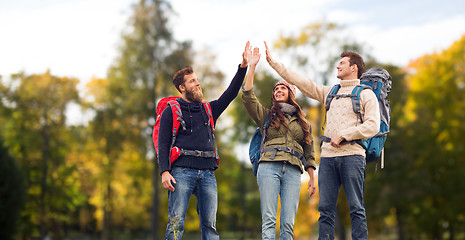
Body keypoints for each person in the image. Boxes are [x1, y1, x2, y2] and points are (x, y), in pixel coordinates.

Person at [264, 42, 380, 240]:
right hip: (327, 158)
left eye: (342, 63)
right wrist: (274, 64)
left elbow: (373, 126)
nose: (338, 66)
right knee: (325, 209)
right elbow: (302, 82)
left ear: (354, 68)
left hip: (353, 156)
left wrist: (345, 135)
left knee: (356, 207)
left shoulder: (366, 94)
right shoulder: (330, 92)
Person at [158, 42, 251, 240]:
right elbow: (163, 143)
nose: (197, 83)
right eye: (192, 81)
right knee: (176, 221)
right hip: (181, 172)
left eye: (197, 80)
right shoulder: (171, 111)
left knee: (210, 225)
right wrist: (164, 171)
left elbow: (231, 93)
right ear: (182, 87)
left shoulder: (209, 109)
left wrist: (243, 67)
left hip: (208, 174)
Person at [241, 46, 317, 240]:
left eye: (282, 88)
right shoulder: (267, 116)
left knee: (288, 224)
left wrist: (312, 178)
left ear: (291, 93)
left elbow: (309, 151)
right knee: (268, 220)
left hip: (293, 170)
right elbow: (248, 97)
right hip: (268, 167)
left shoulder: (304, 123)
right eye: (276, 89)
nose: (278, 91)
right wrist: (252, 67)